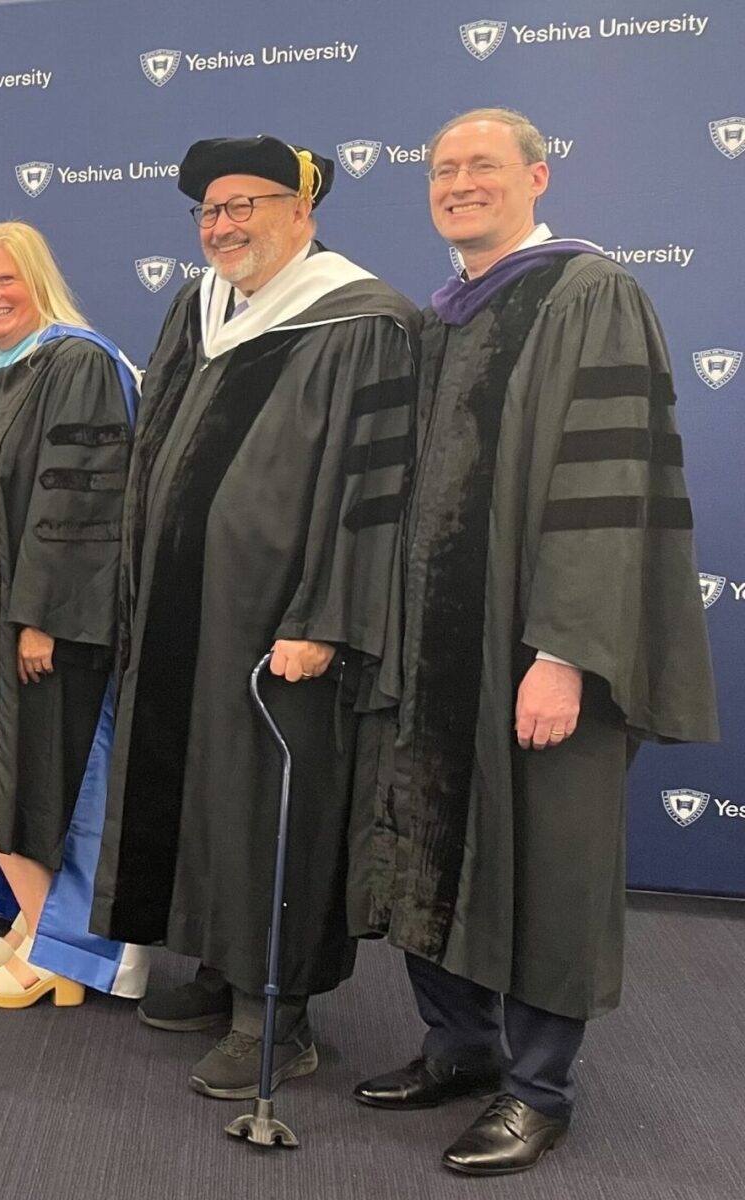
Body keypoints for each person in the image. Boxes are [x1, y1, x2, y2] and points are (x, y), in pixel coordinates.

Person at [346, 108, 718, 1176]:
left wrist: (563, 650)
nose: (459, 182)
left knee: (547, 862)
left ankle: (540, 1087)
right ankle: (459, 1044)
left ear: (537, 177)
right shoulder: (441, 318)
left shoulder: (588, 294)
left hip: (537, 652)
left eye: (482, 166)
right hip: (434, 654)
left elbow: (608, 488)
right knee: (427, 838)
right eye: (443, 168)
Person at [90, 137, 419, 1097]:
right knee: (199, 794)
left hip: (284, 628)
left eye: (247, 205)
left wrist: (325, 617)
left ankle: (277, 1011)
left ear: (303, 211)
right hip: (189, 614)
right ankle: (215, 963)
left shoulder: (363, 321)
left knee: (272, 809)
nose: (224, 225)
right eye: (210, 210)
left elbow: (376, 497)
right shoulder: (200, 311)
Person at [0, 221, 148, 1010]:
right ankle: (36, 926)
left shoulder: (77, 363)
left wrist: (44, 619)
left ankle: (72, 954)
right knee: (1, 777)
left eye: (5, 282)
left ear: (39, 282)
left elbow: (83, 499)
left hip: (45, 632)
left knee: (38, 784)